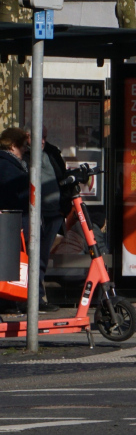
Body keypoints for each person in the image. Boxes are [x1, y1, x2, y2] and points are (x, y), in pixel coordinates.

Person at [24, 137, 63, 312]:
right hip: (33, 213)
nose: (42, 140)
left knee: (41, 257)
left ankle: (37, 297)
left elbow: (61, 177)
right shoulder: (24, 156)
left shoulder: (52, 153)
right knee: (33, 257)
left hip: (54, 214)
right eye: (36, 135)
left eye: (45, 136)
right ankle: (34, 298)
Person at [0, 128, 26, 213]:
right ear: (13, 146)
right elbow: (14, 198)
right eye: (23, 146)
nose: (25, 150)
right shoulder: (7, 167)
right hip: (13, 219)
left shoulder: (9, 164)